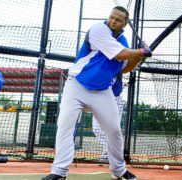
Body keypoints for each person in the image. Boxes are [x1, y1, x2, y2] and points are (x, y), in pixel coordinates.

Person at [42, 6, 151, 180]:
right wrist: (139, 52)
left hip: (102, 91)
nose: (113, 21)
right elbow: (120, 55)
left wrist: (139, 57)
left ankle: (119, 171)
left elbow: (125, 68)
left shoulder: (123, 42)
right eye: (112, 17)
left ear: (124, 24)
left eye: (118, 20)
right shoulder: (99, 29)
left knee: (114, 130)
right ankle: (59, 171)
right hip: (77, 85)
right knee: (65, 125)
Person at [92, 72, 124, 162]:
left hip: (115, 98)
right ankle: (113, 149)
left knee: (113, 129)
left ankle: (108, 153)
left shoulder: (117, 64)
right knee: (96, 128)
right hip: (99, 98)